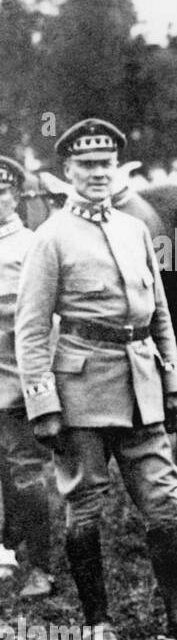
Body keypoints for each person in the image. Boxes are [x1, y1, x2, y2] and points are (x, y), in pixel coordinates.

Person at [15, 118, 177, 640]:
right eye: (86, 166)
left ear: (116, 170)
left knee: (164, 505)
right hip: (82, 392)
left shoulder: (134, 229)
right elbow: (29, 329)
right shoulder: (50, 238)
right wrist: (43, 405)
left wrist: (171, 381)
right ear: (68, 172)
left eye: (105, 165)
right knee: (86, 508)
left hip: (142, 388)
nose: (97, 174)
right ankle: (97, 627)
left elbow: (160, 314)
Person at [0, 155, 54, 598]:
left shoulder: (34, 245)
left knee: (25, 473)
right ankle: (6, 547)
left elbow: (46, 319)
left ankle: (41, 565)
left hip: (17, 377)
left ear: (16, 195)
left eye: (1, 192)